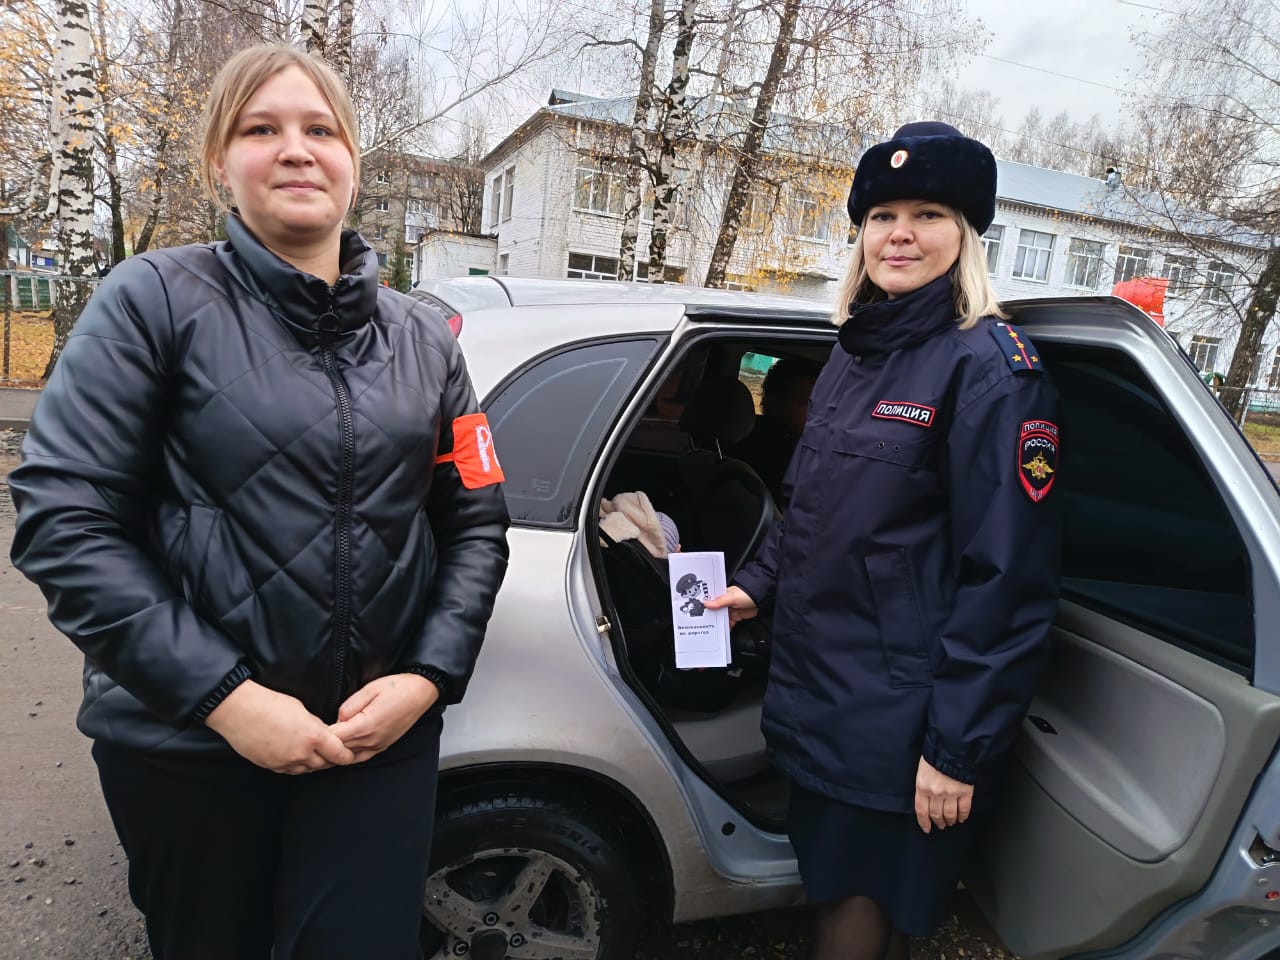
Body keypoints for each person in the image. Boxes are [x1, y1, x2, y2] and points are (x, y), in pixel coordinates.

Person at [8, 45, 510, 960]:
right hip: (190, 750)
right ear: (218, 162)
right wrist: (228, 700)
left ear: (354, 159)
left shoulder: (426, 343)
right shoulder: (153, 300)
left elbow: (475, 523)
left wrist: (428, 678)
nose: (296, 150)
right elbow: (62, 519)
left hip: (375, 750)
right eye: (261, 129)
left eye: (321, 130)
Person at [707, 121, 1061, 960]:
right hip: (819, 689)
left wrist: (956, 750)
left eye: (928, 212)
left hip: (903, 716)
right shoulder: (854, 356)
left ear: (966, 234)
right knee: (835, 883)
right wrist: (757, 583)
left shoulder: (994, 371)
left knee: (866, 909)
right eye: (881, 214)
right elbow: (810, 509)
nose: (899, 233)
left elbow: (1007, 581)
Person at [731, 356, 821, 503]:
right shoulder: (779, 451)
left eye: (816, 405)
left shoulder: (737, 438)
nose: (814, 414)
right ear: (772, 401)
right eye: (804, 404)